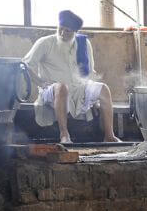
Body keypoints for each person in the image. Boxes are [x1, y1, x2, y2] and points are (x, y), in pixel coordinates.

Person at [22, 10, 120, 143]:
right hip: (52, 89)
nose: (62, 34)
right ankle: (64, 135)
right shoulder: (45, 43)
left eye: (67, 31)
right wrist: (39, 82)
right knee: (62, 87)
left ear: (75, 32)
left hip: (78, 89)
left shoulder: (84, 44)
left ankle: (109, 136)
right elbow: (24, 65)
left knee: (103, 89)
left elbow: (90, 72)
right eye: (60, 29)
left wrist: (95, 100)